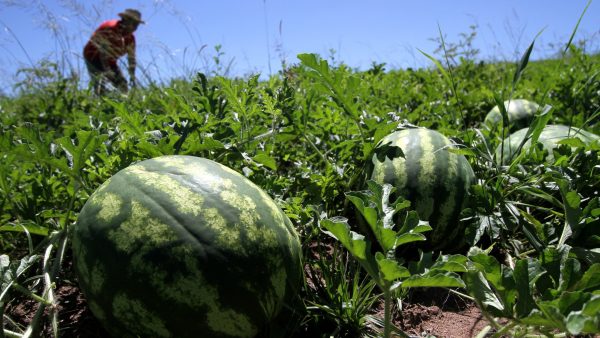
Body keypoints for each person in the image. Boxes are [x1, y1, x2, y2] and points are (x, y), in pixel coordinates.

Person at [83, 9, 144, 95]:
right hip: (93, 56)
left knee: (122, 84)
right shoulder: (110, 28)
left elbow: (131, 59)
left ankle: (123, 102)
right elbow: (102, 54)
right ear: (125, 20)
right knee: (101, 84)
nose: (135, 28)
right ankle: (100, 102)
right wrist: (107, 71)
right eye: (133, 24)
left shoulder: (131, 39)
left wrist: (132, 77)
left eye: (137, 25)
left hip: (110, 60)